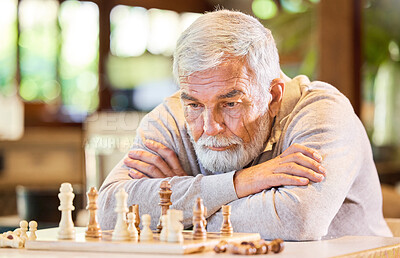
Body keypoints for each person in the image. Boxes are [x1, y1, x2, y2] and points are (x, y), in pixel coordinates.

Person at [98, 10, 392, 240]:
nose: (210, 127)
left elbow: (299, 220)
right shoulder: (173, 114)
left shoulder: (322, 112)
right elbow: (109, 210)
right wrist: (244, 181)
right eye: (195, 106)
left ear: (273, 96)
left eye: (230, 104)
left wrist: (178, 211)